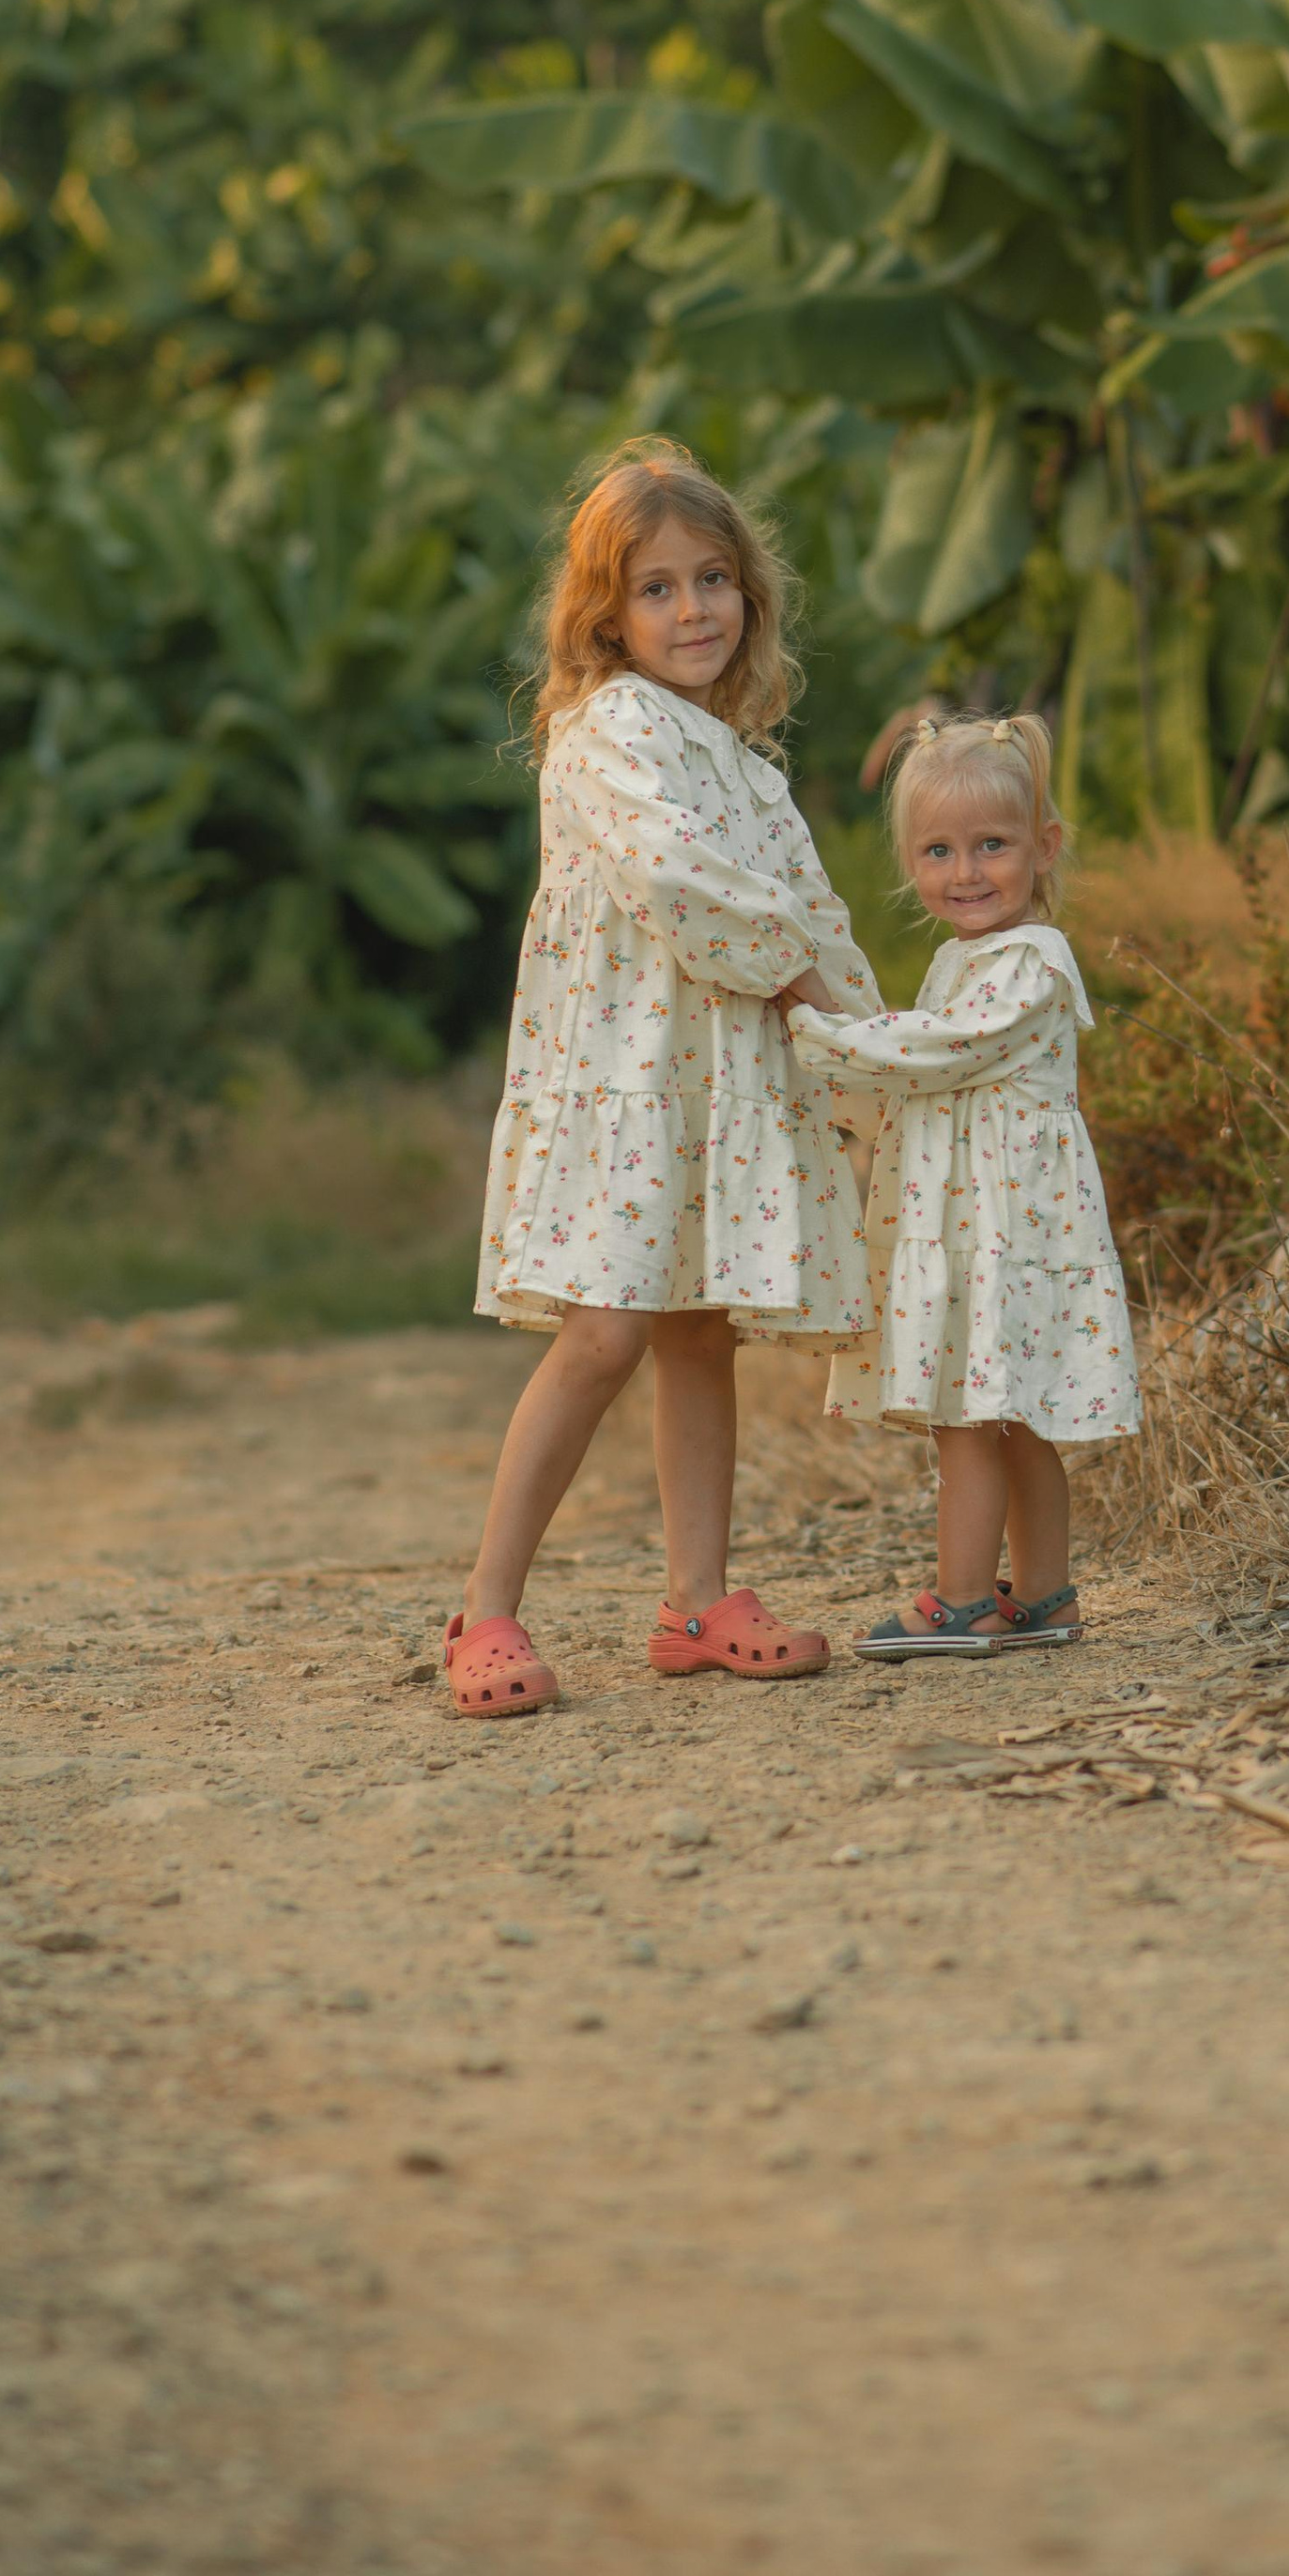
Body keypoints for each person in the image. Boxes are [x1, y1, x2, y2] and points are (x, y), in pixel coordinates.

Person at [442, 438, 879, 1717]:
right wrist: (800, 978)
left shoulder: (745, 761)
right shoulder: (605, 732)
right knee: (607, 1331)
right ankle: (488, 1605)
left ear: (750, 596)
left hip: (714, 1093)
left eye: (715, 580)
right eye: (657, 588)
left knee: (702, 1326)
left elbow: (810, 907)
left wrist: (873, 1044)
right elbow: (689, 890)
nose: (694, 610)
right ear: (606, 617)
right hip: (626, 1089)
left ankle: (698, 1599)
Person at [779, 713, 1139, 1656]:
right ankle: (1046, 1595)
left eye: (992, 845)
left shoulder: (1031, 961)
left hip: (1005, 1227)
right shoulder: (958, 958)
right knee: (1007, 1413)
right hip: (974, 1219)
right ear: (908, 861)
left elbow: (940, 1053)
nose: (967, 871)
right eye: (938, 851)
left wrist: (818, 1033)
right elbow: (920, 1070)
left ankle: (965, 1597)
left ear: (1042, 848)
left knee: (969, 1416)